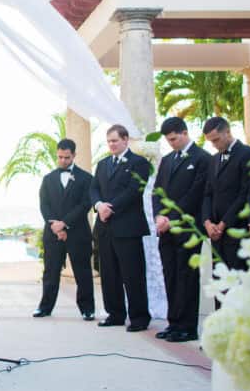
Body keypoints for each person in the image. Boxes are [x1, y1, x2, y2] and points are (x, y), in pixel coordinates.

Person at [151, 114, 211, 342]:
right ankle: (173, 322)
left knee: (186, 278)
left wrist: (171, 217)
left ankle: (188, 327)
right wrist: (158, 216)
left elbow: (194, 195)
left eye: (175, 139)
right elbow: (157, 191)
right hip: (165, 230)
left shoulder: (203, 159)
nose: (172, 143)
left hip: (187, 229)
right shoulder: (166, 161)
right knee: (170, 276)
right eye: (168, 140)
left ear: (185, 133)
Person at [90, 123, 152, 333]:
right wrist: (99, 205)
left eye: (115, 141)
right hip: (105, 228)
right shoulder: (102, 164)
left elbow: (134, 190)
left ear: (125, 140)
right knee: (109, 274)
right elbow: (94, 188)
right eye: (109, 141)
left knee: (133, 274)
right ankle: (115, 314)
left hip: (128, 227)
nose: (111, 145)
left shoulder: (139, 163)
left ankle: (139, 317)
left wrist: (111, 208)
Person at [35, 138, 95, 319]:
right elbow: (44, 205)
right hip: (53, 232)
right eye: (60, 157)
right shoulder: (48, 179)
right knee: (50, 272)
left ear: (74, 155)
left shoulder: (86, 178)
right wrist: (55, 225)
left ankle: (87, 309)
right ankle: (45, 307)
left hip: (78, 233)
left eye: (66, 158)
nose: (63, 161)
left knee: (82, 272)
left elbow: (85, 204)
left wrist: (65, 224)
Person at [199, 116, 250, 273]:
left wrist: (224, 223)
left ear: (227, 132)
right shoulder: (214, 159)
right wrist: (207, 222)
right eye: (211, 142)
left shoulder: (247, 154)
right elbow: (207, 193)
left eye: (216, 140)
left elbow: (245, 193)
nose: (214, 145)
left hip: (237, 230)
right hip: (216, 233)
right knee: (220, 281)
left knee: (238, 282)